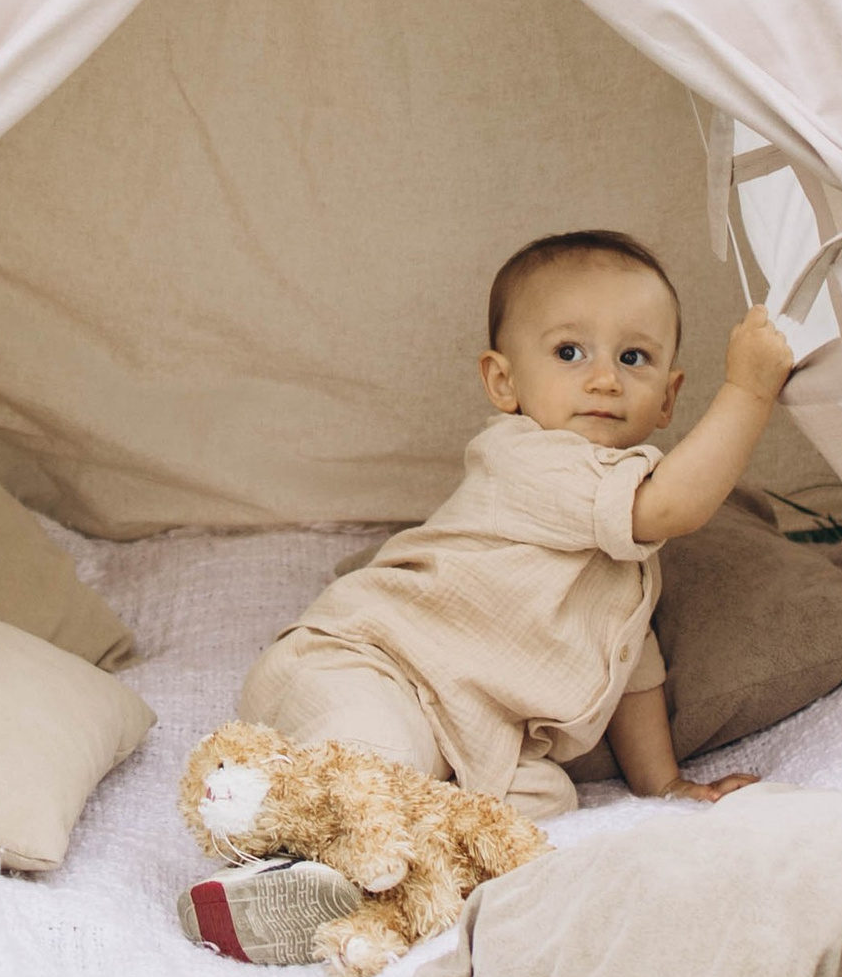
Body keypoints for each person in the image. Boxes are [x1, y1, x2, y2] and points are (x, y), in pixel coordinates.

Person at [238, 227, 794, 823]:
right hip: (369, 668)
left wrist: (664, 784)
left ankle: (384, 866)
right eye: (569, 353)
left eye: (633, 358)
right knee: (378, 759)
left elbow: (630, 671)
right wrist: (748, 390)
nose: (605, 379)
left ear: (667, 397)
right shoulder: (528, 457)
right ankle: (274, 870)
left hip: (467, 731)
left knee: (547, 800)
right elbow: (672, 507)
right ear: (504, 382)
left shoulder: (620, 550)